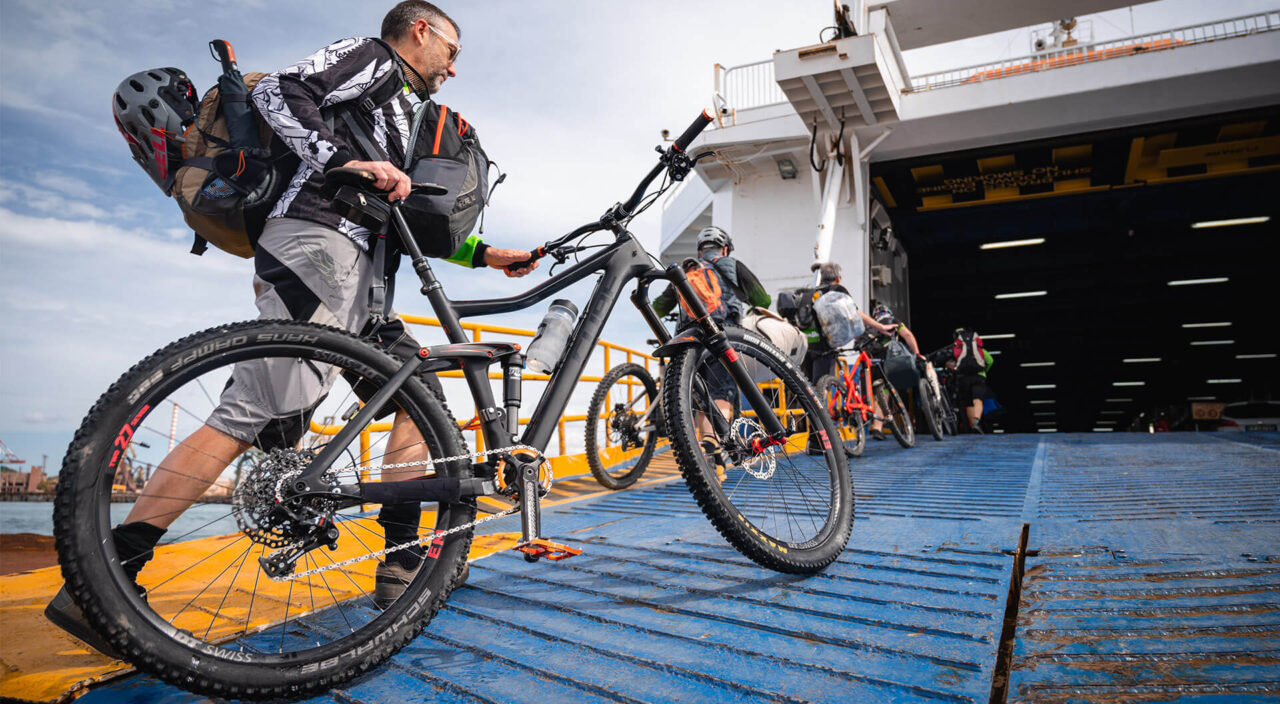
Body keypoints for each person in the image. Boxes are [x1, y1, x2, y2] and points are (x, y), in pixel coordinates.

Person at [48, 0, 540, 652]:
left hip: (361, 280)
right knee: (250, 411)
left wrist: (485, 253)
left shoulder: (396, 107)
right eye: (452, 51)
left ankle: (403, 567)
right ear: (420, 31)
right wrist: (339, 159)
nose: (453, 68)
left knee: (422, 408)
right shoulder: (373, 59)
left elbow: (392, 205)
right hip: (318, 246)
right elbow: (283, 92)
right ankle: (106, 580)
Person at [651, 226, 770, 477]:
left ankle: (710, 450)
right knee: (722, 392)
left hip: (688, 342)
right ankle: (712, 445)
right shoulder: (733, 265)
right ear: (725, 248)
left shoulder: (686, 271)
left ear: (699, 251)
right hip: (721, 335)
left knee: (702, 395)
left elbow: (658, 308)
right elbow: (763, 300)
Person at [801, 263, 892, 454]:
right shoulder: (838, 291)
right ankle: (821, 442)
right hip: (826, 348)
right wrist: (881, 327)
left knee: (811, 394)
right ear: (838, 278)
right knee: (820, 393)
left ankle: (813, 440)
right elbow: (854, 314)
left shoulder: (811, 294)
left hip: (807, 348)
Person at [864, 301, 923, 440]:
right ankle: (878, 427)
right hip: (889, 362)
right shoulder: (893, 321)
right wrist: (917, 353)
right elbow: (907, 335)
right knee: (885, 393)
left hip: (871, 363)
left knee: (876, 393)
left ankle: (874, 422)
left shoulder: (871, 324)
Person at [950, 327, 995, 433]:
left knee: (969, 402)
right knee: (977, 400)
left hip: (964, 377)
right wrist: (984, 371)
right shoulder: (979, 350)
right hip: (978, 376)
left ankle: (972, 427)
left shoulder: (958, 349)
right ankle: (976, 422)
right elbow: (990, 361)